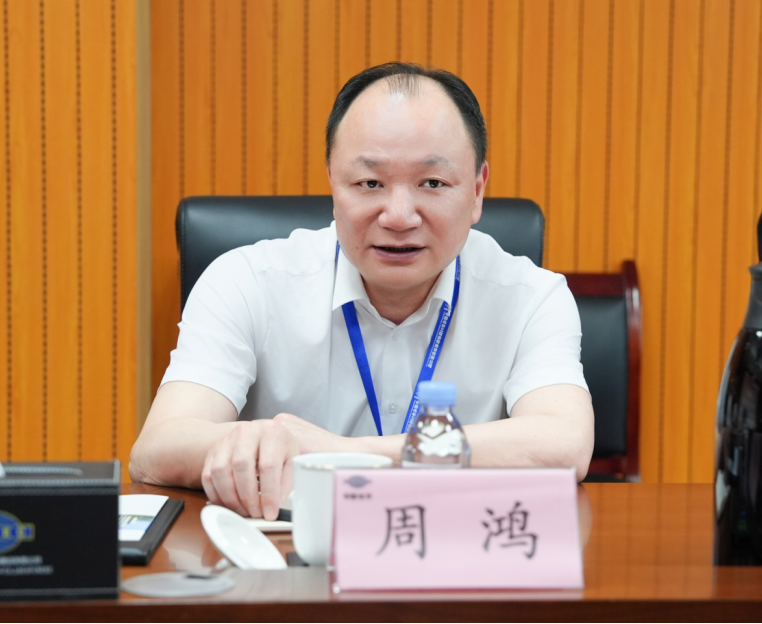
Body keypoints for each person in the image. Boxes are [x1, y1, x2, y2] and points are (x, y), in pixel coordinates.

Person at [129, 63, 594, 520]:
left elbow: (564, 444)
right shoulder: (247, 281)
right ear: (333, 183)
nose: (399, 216)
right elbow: (156, 449)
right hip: (286, 557)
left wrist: (339, 454)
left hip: (458, 551)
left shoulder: (531, 297)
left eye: (432, 183)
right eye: (370, 183)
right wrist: (243, 444)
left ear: (476, 191)